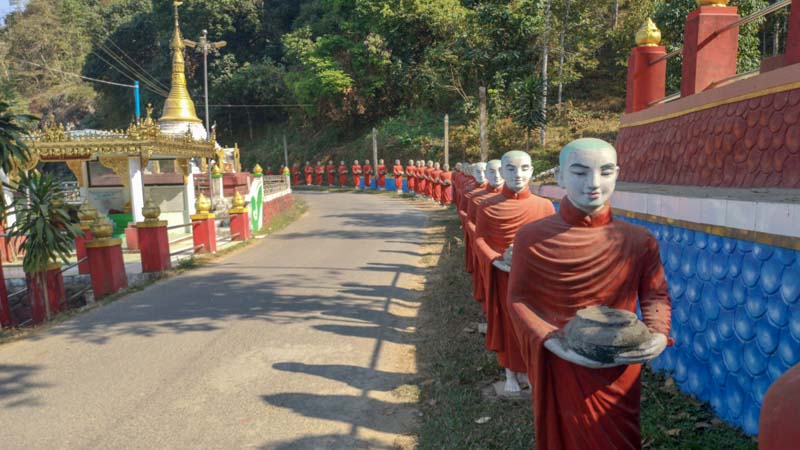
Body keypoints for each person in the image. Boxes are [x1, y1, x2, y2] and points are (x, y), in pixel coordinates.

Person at [507, 138, 671, 450]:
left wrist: (659, 334)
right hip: (562, 361)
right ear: (559, 177)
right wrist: (552, 341)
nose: (593, 184)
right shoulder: (532, 238)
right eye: (580, 173)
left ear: (617, 174)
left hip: (620, 363)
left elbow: (655, 295)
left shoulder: (639, 240)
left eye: (605, 172)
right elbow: (518, 301)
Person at [473, 151, 555, 394]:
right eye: (510, 168)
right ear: (501, 171)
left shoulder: (544, 205)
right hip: (503, 275)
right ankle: (510, 372)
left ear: (532, 170)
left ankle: (531, 370)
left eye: (524, 168)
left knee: (534, 323)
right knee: (508, 323)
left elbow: (553, 240)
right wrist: (495, 260)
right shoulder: (487, 206)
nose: (517, 174)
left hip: (535, 278)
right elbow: (479, 239)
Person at [465, 160, 504, 284]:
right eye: (491, 171)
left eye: (499, 171)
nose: (497, 175)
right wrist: (477, 234)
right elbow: (468, 219)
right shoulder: (475, 196)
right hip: (485, 245)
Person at [459, 162, 487, 273]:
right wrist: (470, 223)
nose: (482, 174)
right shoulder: (468, 191)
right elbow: (462, 210)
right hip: (474, 229)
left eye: (485, 171)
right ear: (473, 173)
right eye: (478, 171)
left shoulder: (499, 194)